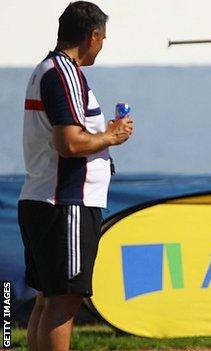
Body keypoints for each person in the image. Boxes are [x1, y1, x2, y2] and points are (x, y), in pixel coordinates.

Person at [18, 2, 133, 350]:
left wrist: (102, 132)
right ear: (92, 35)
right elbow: (67, 142)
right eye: (103, 37)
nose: (102, 44)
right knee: (63, 302)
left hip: (45, 199)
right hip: (66, 202)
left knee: (48, 299)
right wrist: (111, 137)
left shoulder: (48, 69)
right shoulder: (63, 73)